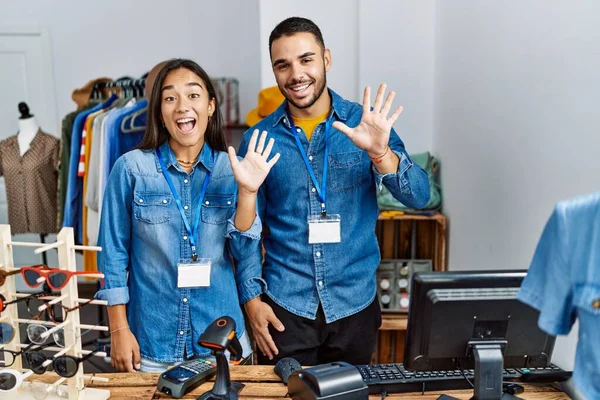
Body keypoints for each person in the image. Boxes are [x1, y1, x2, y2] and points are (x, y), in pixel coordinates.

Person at [237, 17, 430, 366]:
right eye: (283, 65)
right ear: (274, 71)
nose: (296, 74)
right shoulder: (258, 139)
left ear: (326, 59)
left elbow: (419, 196)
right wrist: (252, 302)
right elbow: (246, 234)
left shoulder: (365, 123)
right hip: (286, 308)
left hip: (354, 304)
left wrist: (380, 154)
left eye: (306, 59)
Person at [96, 58, 280, 373]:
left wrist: (248, 192)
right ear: (159, 112)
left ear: (210, 106)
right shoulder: (131, 169)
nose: (183, 106)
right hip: (153, 341)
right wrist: (118, 329)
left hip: (221, 341)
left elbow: (245, 254)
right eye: (170, 98)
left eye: (193, 95)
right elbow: (112, 256)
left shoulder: (232, 169)